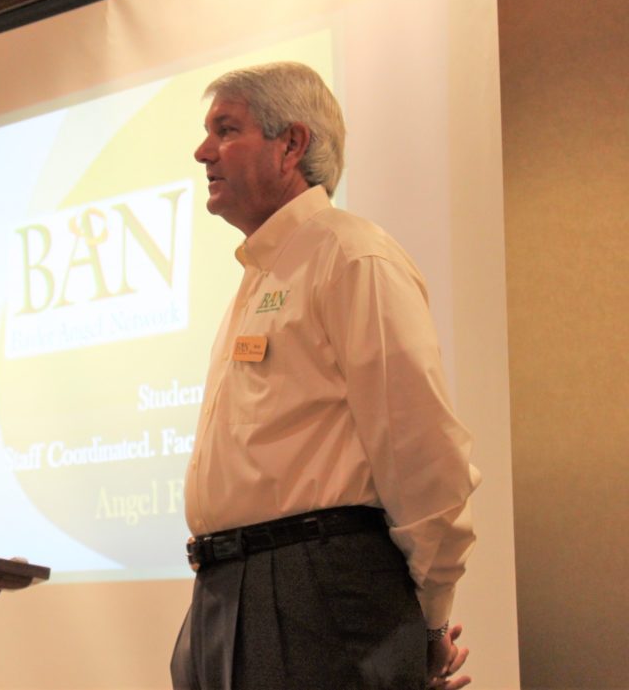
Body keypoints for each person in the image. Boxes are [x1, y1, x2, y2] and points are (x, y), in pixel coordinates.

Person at [170, 61, 481, 690]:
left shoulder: (351, 256)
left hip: (313, 593)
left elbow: (425, 454)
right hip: (222, 593)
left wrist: (425, 622)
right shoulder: (260, 275)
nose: (203, 151)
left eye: (226, 129)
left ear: (292, 145)